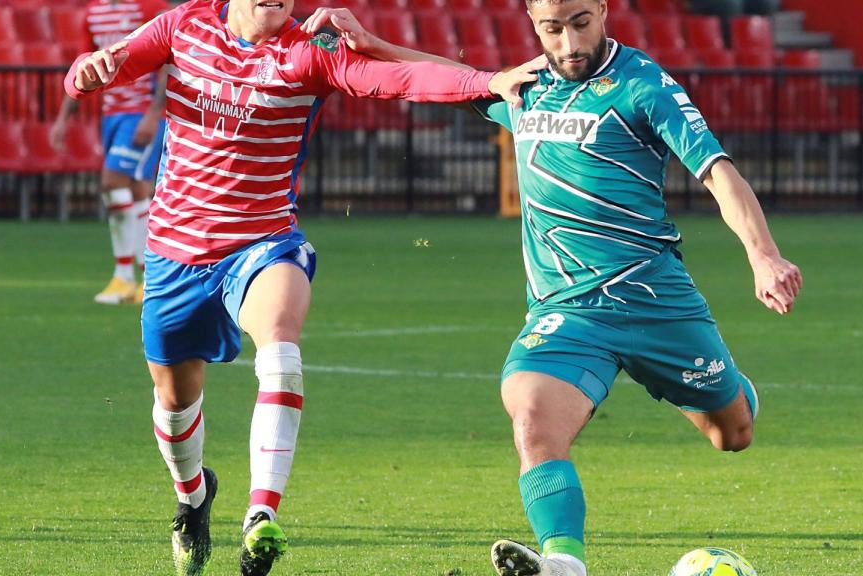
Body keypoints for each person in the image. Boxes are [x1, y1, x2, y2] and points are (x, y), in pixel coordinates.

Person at [62, 0, 542, 574]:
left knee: (282, 348)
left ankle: (260, 517)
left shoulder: (307, 51)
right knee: (173, 404)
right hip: (174, 253)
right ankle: (193, 498)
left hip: (263, 243)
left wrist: (488, 80)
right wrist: (86, 70)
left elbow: (400, 78)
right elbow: (100, 67)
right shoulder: (183, 24)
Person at [461, 1, 801, 575]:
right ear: (531, 20)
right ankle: (562, 563)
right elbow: (433, 79)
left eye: (580, 22)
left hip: (653, 299)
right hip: (567, 309)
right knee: (532, 415)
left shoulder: (643, 85)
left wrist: (763, 256)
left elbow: (718, 171)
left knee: (733, 434)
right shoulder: (522, 87)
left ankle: (734, 390)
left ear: (603, 9)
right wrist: (366, 42)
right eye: (551, 28)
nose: (568, 42)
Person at [51, 0, 169, 305]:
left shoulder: (148, 6)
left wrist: (155, 113)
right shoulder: (92, 12)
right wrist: (64, 118)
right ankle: (148, 280)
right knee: (138, 189)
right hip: (111, 113)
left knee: (111, 182)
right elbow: (84, 63)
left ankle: (124, 274)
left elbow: (169, 59)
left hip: (140, 112)